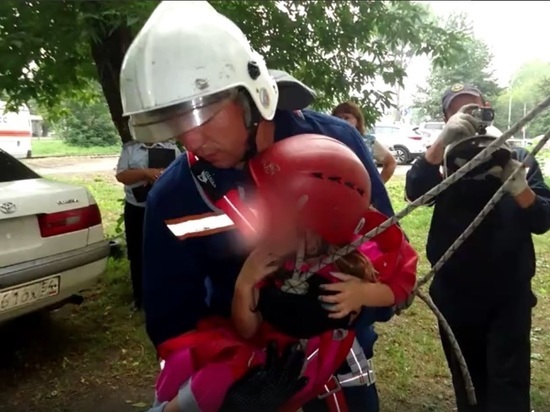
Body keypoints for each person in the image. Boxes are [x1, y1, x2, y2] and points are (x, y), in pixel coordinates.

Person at [120, 1, 396, 410]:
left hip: (341, 375)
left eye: (203, 116)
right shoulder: (176, 198)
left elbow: (388, 253)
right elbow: (173, 325)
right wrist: (232, 389)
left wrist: (350, 304)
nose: (190, 141)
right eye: (175, 123)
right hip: (247, 382)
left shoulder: (337, 149)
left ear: (252, 97)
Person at [149, 135, 417, 412]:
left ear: (327, 214)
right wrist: (245, 284)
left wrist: (364, 294)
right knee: (211, 379)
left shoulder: (362, 247)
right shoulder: (273, 254)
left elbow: (403, 282)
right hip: (270, 358)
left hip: (334, 362)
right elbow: (248, 330)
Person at [405, 83, 550, 412]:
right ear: (447, 117)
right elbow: (415, 192)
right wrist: (442, 141)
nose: (470, 115)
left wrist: (520, 188)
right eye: (459, 110)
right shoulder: (443, 163)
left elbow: (543, 218)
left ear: (487, 108)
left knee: (509, 386)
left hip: (508, 295)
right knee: (469, 384)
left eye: (475, 107)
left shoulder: (519, 158)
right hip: (454, 293)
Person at [115, 139, 180, 310]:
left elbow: (183, 174)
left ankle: (165, 294)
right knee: (137, 253)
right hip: (136, 209)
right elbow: (121, 176)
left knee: (165, 251)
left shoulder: (170, 147)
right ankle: (140, 298)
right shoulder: (131, 149)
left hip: (163, 208)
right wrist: (146, 173)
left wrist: (165, 175)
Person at [332, 101, 396, 183]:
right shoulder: (329, 141)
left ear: (357, 121)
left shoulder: (368, 142)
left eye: (346, 118)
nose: (342, 121)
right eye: (338, 118)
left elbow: (391, 163)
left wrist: (377, 186)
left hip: (361, 193)